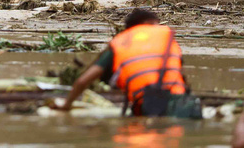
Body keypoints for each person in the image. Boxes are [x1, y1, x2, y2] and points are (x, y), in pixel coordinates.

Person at [58, 9, 201, 118]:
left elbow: (83, 81)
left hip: (149, 107)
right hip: (185, 105)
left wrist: (66, 106)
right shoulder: (167, 37)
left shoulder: (121, 42)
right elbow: (181, 77)